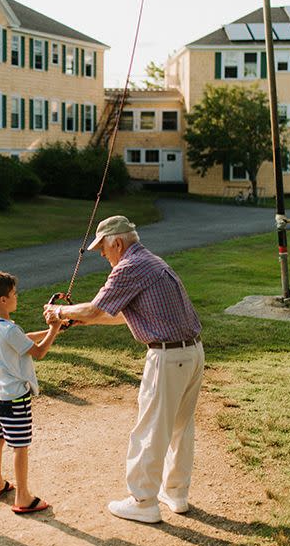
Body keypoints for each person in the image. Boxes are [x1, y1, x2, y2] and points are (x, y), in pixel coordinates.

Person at [44, 215, 204, 524]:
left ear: (117, 243)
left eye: (103, 249)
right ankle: (176, 494)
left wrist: (58, 311)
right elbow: (120, 313)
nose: (103, 256)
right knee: (180, 427)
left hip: (168, 357)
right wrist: (79, 319)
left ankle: (143, 501)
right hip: (192, 352)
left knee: (150, 429)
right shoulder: (150, 261)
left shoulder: (129, 267)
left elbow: (95, 308)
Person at [0, 269, 61, 515]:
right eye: (13, 294)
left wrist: (52, 331)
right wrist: (53, 330)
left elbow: (23, 340)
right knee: (20, 446)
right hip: (16, 397)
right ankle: (22, 497)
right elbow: (38, 352)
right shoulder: (10, 329)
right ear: (3, 300)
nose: (16, 296)